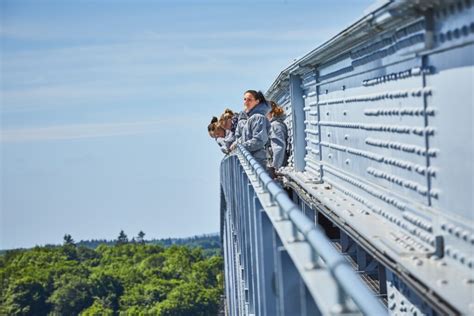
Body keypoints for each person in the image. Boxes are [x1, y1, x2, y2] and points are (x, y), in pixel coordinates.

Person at [231, 90, 270, 168]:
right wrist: (236, 144)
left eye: (249, 100)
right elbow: (246, 137)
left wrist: (240, 146)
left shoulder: (258, 117)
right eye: (245, 99)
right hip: (251, 161)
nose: (246, 102)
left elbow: (259, 140)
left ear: (257, 101)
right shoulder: (251, 117)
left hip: (257, 162)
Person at [267, 101, 288, 177]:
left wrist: (274, 168)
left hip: (278, 169)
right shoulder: (275, 124)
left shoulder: (274, 125)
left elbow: (278, 147)